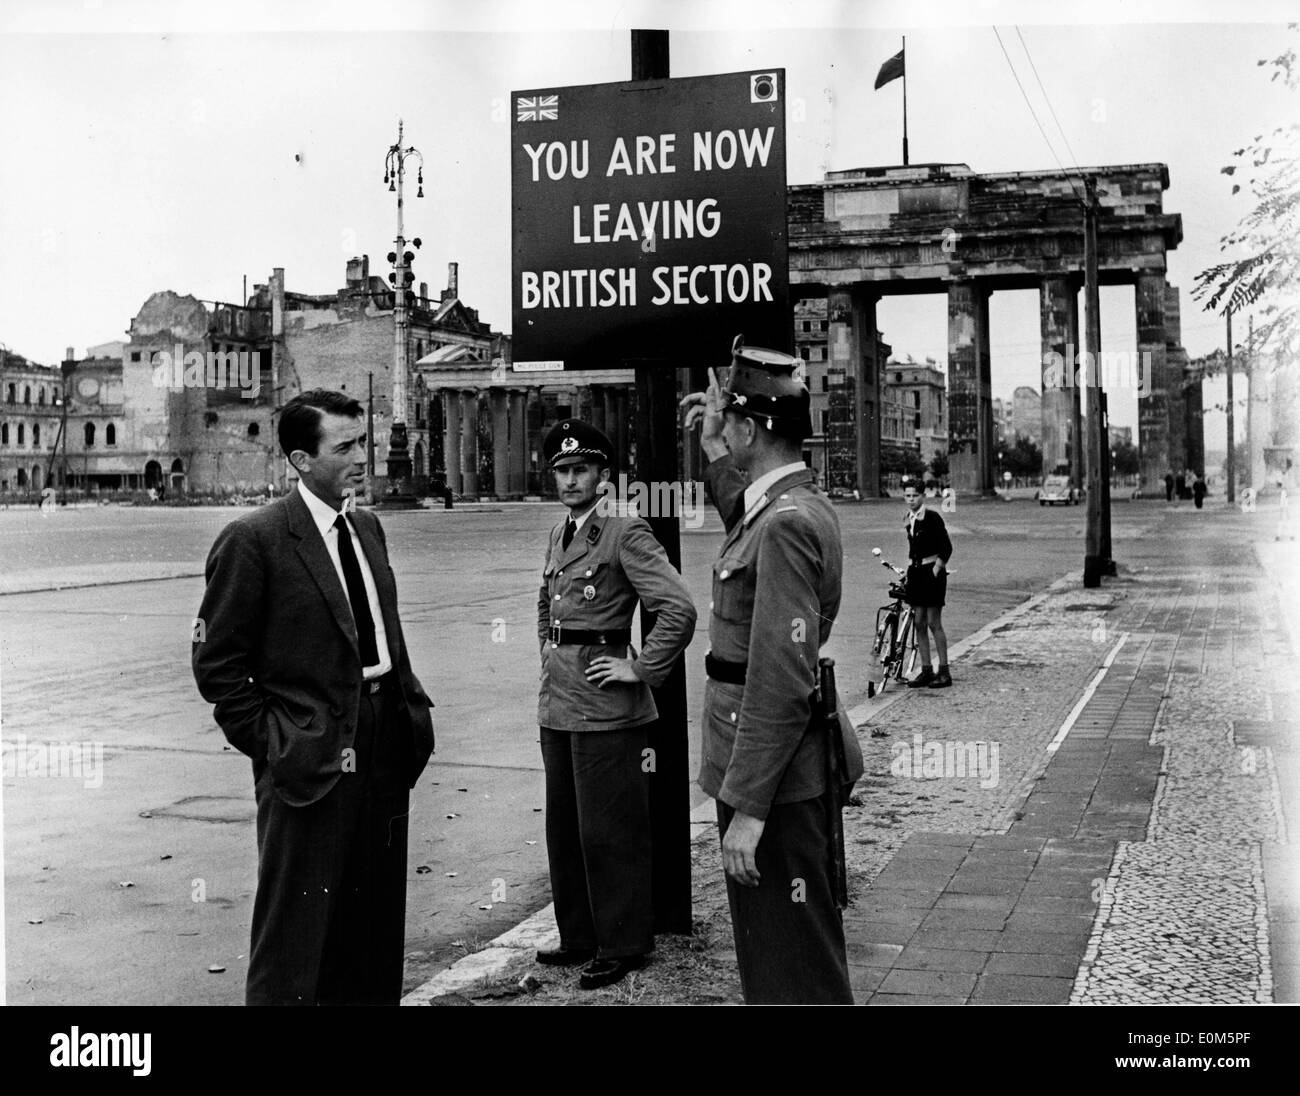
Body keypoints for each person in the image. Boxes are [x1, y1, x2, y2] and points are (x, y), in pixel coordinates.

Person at [192, 389, 435, 1005]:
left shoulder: (367, 526)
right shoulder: (255, 539)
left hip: (383, 740)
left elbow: (383, 633)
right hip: (309, 755)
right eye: (347, 446)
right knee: (297, 929)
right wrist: (276, 743)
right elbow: (217, 665)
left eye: (365, 442)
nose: (363, 458)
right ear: (301, 460)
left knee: (375, 919)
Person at [681, 336, 864, 1005]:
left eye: (729, 420)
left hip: (773, 779)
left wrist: (749, 809)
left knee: (795, 970)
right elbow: (741, 510)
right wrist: (712, 445)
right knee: (779, 954)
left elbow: (781, 679)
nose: (722, 431)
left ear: (752, 428)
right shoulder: (789, 506)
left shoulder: (785, 525)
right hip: (771, 766)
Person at [535, 419, 696, 989]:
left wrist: (642, 667)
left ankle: (624, 941)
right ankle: (579, 935)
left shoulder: (626, 531)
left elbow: (677, 608)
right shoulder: (561, 533)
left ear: (604, 475)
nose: (570, 479)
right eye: (562, 470)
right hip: (559, 701)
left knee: (611, 829)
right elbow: (546, 608)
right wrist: (550, 656)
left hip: (606, 706)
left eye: (581, 469)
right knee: (567, 827)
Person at [902, 482, 954, 688]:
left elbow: (946, 547)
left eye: (915, 495)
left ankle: (944, 671)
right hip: (915, 572)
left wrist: (937, 568)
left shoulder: (932, 517)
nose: (911, 499)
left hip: (931, 572)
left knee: (934, 622)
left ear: (923, 496)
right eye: (908, 495)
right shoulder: (908, 518)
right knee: (919, 622)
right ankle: (926, 670)